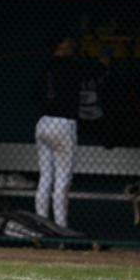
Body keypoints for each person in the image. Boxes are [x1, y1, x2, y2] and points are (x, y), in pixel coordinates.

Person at [31, 32, 109, 228]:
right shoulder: (70, 64)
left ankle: (41, 225)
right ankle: (60, 228)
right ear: (60, 45)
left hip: (43, 122)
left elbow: (34, 93)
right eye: (68, 41)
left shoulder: (46, 66)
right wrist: (105, 52)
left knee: (45, 177)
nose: (72, 44)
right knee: (63, 178)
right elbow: (101, 68)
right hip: (63, 124)